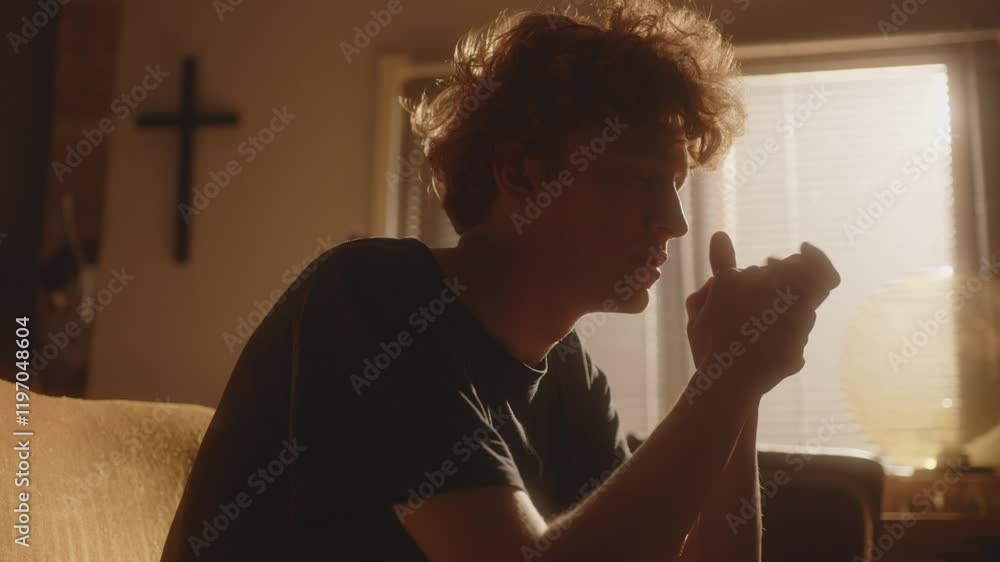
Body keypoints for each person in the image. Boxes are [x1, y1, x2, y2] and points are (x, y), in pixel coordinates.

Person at [159, 1, 840, 561]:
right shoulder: (374, 297)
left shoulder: (570, 378)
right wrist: (722, 379)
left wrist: (739, 380)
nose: (673, 223)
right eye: (638, 179)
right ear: (520, 175)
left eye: (676, 187)